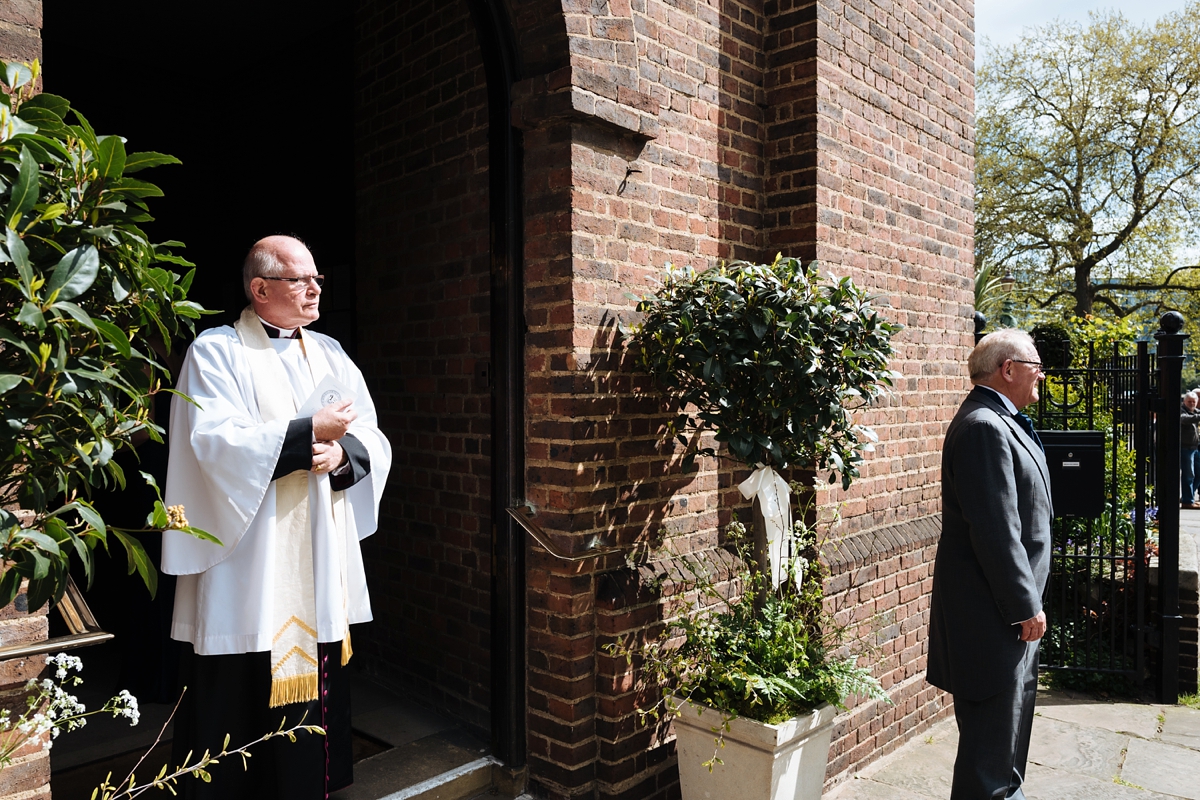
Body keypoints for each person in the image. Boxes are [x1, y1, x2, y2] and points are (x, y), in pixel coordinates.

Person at [161, 235, 391, 799]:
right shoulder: (216, 351)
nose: (316, 289)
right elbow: (210, 440)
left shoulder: (333, 353)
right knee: (238, 684)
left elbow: (372, 436)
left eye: (316, 279)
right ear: (260, 289)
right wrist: (308, 432)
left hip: (316, 552)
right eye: (300, 279)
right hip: (248, 562)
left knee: (317, 684)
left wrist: (341, 455)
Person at [927, 329, 1053, 800]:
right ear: (1008, 368)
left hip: (1008, 622)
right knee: (989, 767)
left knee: (1005, 757)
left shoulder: (1001, 421)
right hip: (995, 621)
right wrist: (1025, 605)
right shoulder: (984, 426)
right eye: (1035, 365)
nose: (1041, 374)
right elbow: (996, 530)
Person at [1181, 392, 1200, 508]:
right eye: (1189, 401)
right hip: (1185, 447)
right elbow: (1185, 419)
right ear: (1184, 402)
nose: (1192, 404)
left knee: (1198, 473)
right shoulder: (1181, 411)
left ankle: (1189, 497)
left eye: (1194, 401)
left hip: (1195, 447)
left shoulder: (1196, 412)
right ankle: (1187, 501)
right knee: (1189, 474)